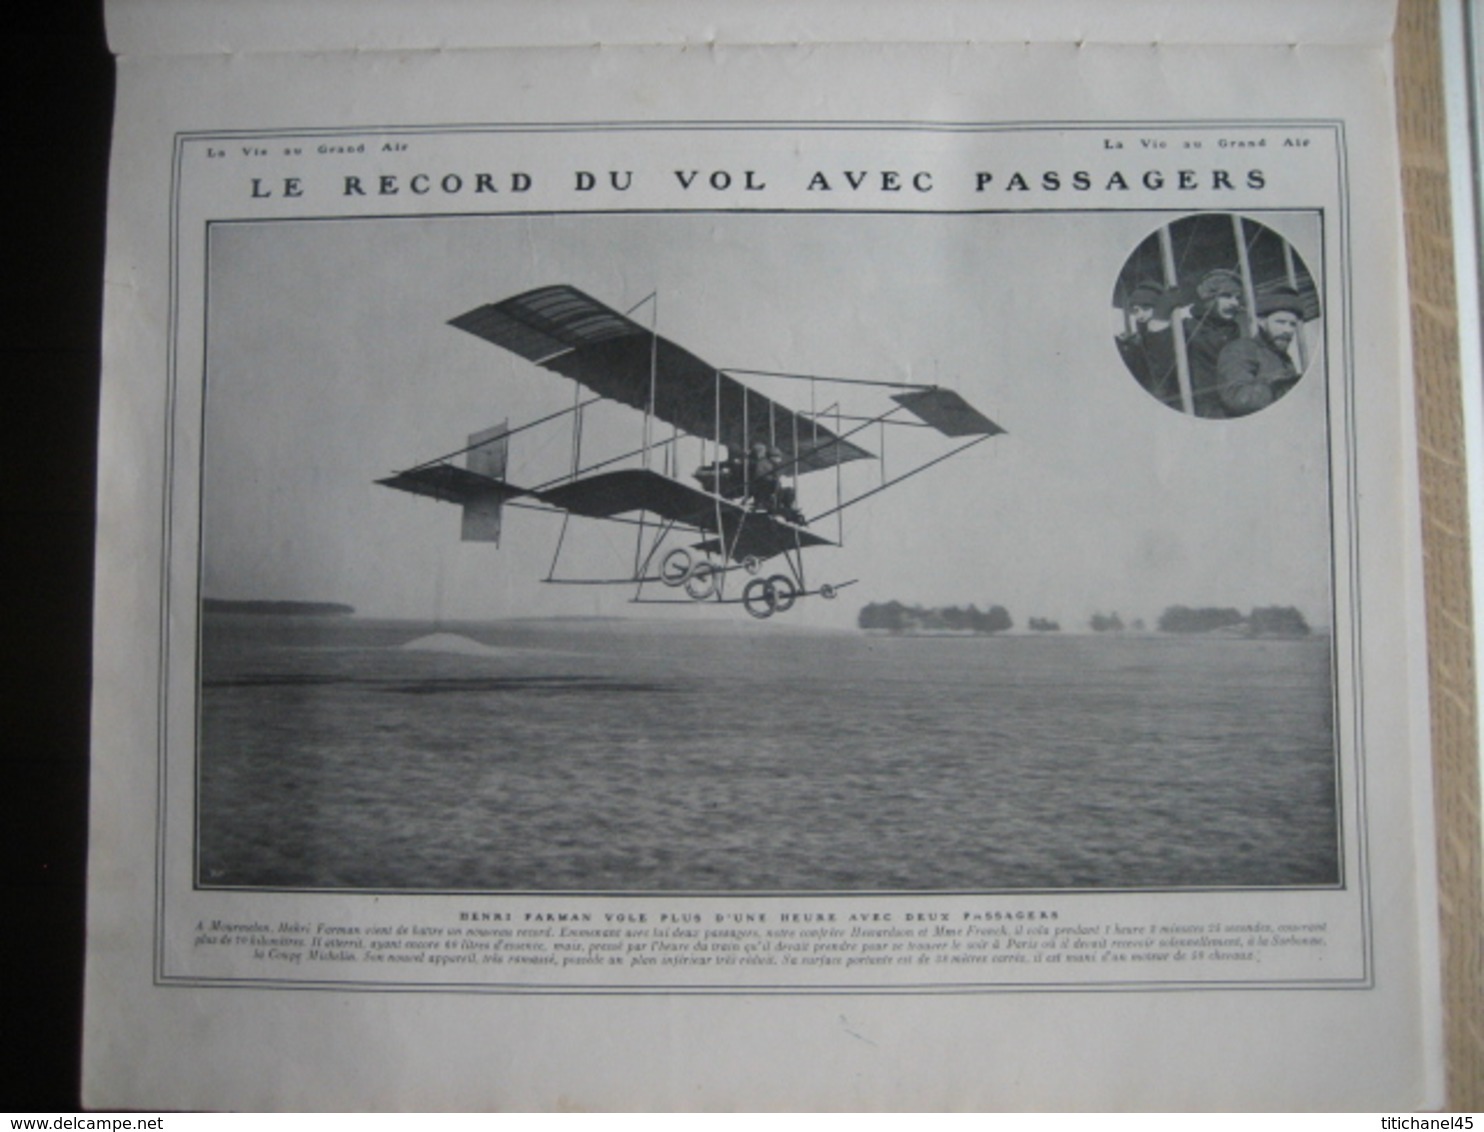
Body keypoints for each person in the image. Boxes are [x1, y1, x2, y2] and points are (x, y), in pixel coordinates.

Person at [1146, 267, 1246, 417]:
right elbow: (1163, 362)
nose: (1234, 303)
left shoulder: (1233, 329)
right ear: (1208, 297)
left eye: (1237, 297)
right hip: (1197, 407)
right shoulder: (1186, 326)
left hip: (1229, 406)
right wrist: (1160, 320)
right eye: (1226, 296)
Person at [1216, 286, 1305, 416]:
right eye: (1280, 322)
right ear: (1261, 321)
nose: (1288, 330)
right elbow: (1237, 397)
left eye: (1292, 324)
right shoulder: (1241, 349)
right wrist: (1284, 389)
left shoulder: (1283, 357)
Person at [1115, 280, 1165, 397]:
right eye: (1136, 310)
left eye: (1146, 308)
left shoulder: (1168, 333)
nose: (1140, 315)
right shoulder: (1137, 340)